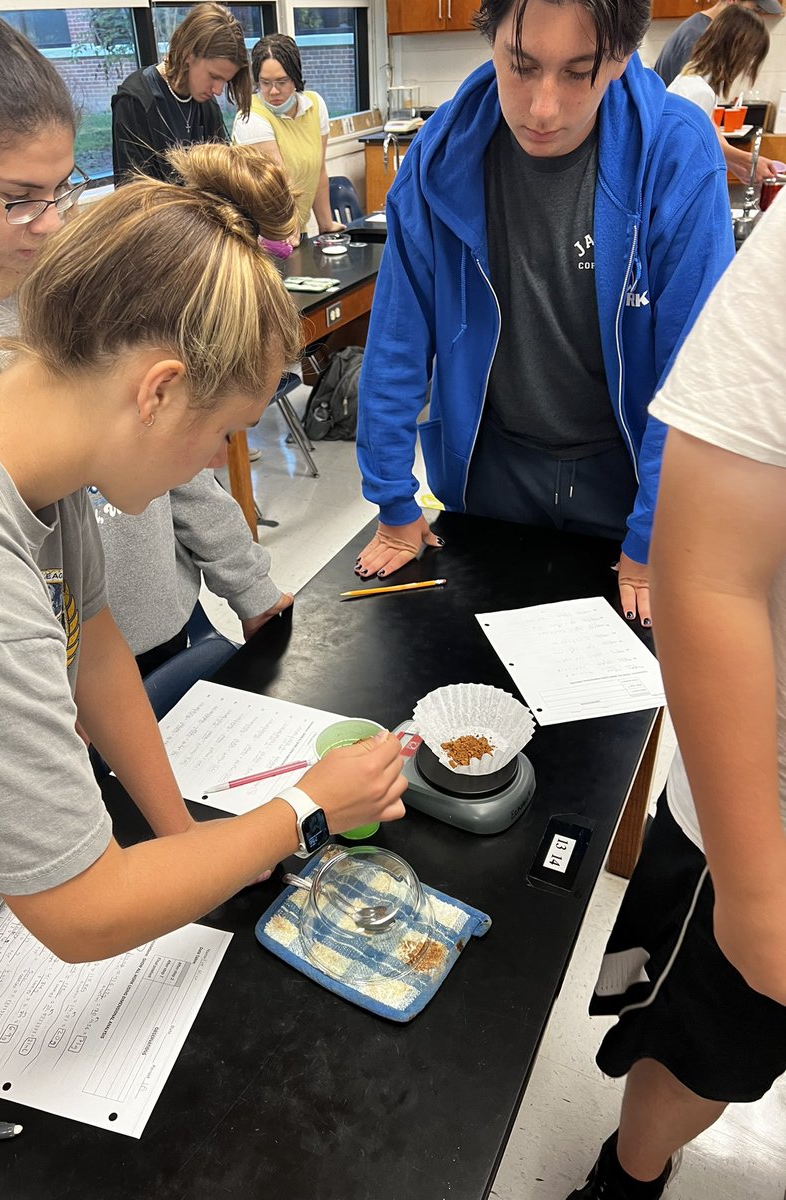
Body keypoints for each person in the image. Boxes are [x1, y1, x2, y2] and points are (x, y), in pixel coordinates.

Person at [0, 134, 408, 1019]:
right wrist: (301, 810)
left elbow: (91, 638)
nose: (212, 461)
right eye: (221, 434)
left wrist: (186, 838)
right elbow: (80, 913)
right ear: (158, 391)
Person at [0, 0, 291, 676]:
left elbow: (181, 433)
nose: (49, 225)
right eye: (19, 197)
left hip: (153, 620)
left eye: (63, 187)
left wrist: (247, 580)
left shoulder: (83, 272)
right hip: (22, 664)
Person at [354, 0, 735, 629]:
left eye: (577, 72)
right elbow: (397, 340)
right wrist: (393, 498)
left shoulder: (675, 154)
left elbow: (692, 377)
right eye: (520, 66)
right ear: (493, 39)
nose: (542, 108)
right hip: (494, 473)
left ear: (619, 57)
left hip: (631, 478)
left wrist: (651, 536)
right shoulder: (441, 154)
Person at [567, 142, 786, 1200]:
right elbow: (714, 558)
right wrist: (756, 896)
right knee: (692, 1045)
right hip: (759, 820)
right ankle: (628, 1175)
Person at [111, 2, 251, 186]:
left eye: (224, 81)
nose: (217, 90)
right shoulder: (135, 102)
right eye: (214, 76)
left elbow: (222, 179)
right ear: (188, 54)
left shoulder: (206, 105)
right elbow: (132, 195)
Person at [232, 33, 344, 235]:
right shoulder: (250, 117)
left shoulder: (314, 105)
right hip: (261, 236)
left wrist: (326, 225)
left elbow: (319, 171)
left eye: (282, 81)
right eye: (265, 83)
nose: (274, 91)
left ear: (295, 77)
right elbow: (279, 185)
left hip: (294, 230)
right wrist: (287, 234)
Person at [667, 6, 783, 185]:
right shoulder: (698, 91)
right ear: (739, 53)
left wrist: (737, 163)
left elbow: (708, 128)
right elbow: (700, 144)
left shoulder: (693, 79)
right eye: (751, 58)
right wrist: (748, 160)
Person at [653, 0, 779, 87]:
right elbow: (685, 108)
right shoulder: (699, 36)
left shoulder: (702, 29)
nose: (756, 20)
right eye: (755, 10)